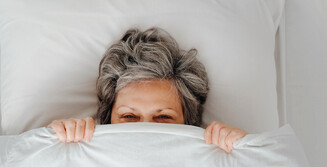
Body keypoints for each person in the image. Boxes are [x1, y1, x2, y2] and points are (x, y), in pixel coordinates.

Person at [47, 27, 247, 153]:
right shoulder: (79, 154)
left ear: (189, 123)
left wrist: (243, 152)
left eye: (164, 118)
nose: (145, 131)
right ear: (108, 121)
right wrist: (51, 143)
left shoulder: (216, 160)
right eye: (129, 116)